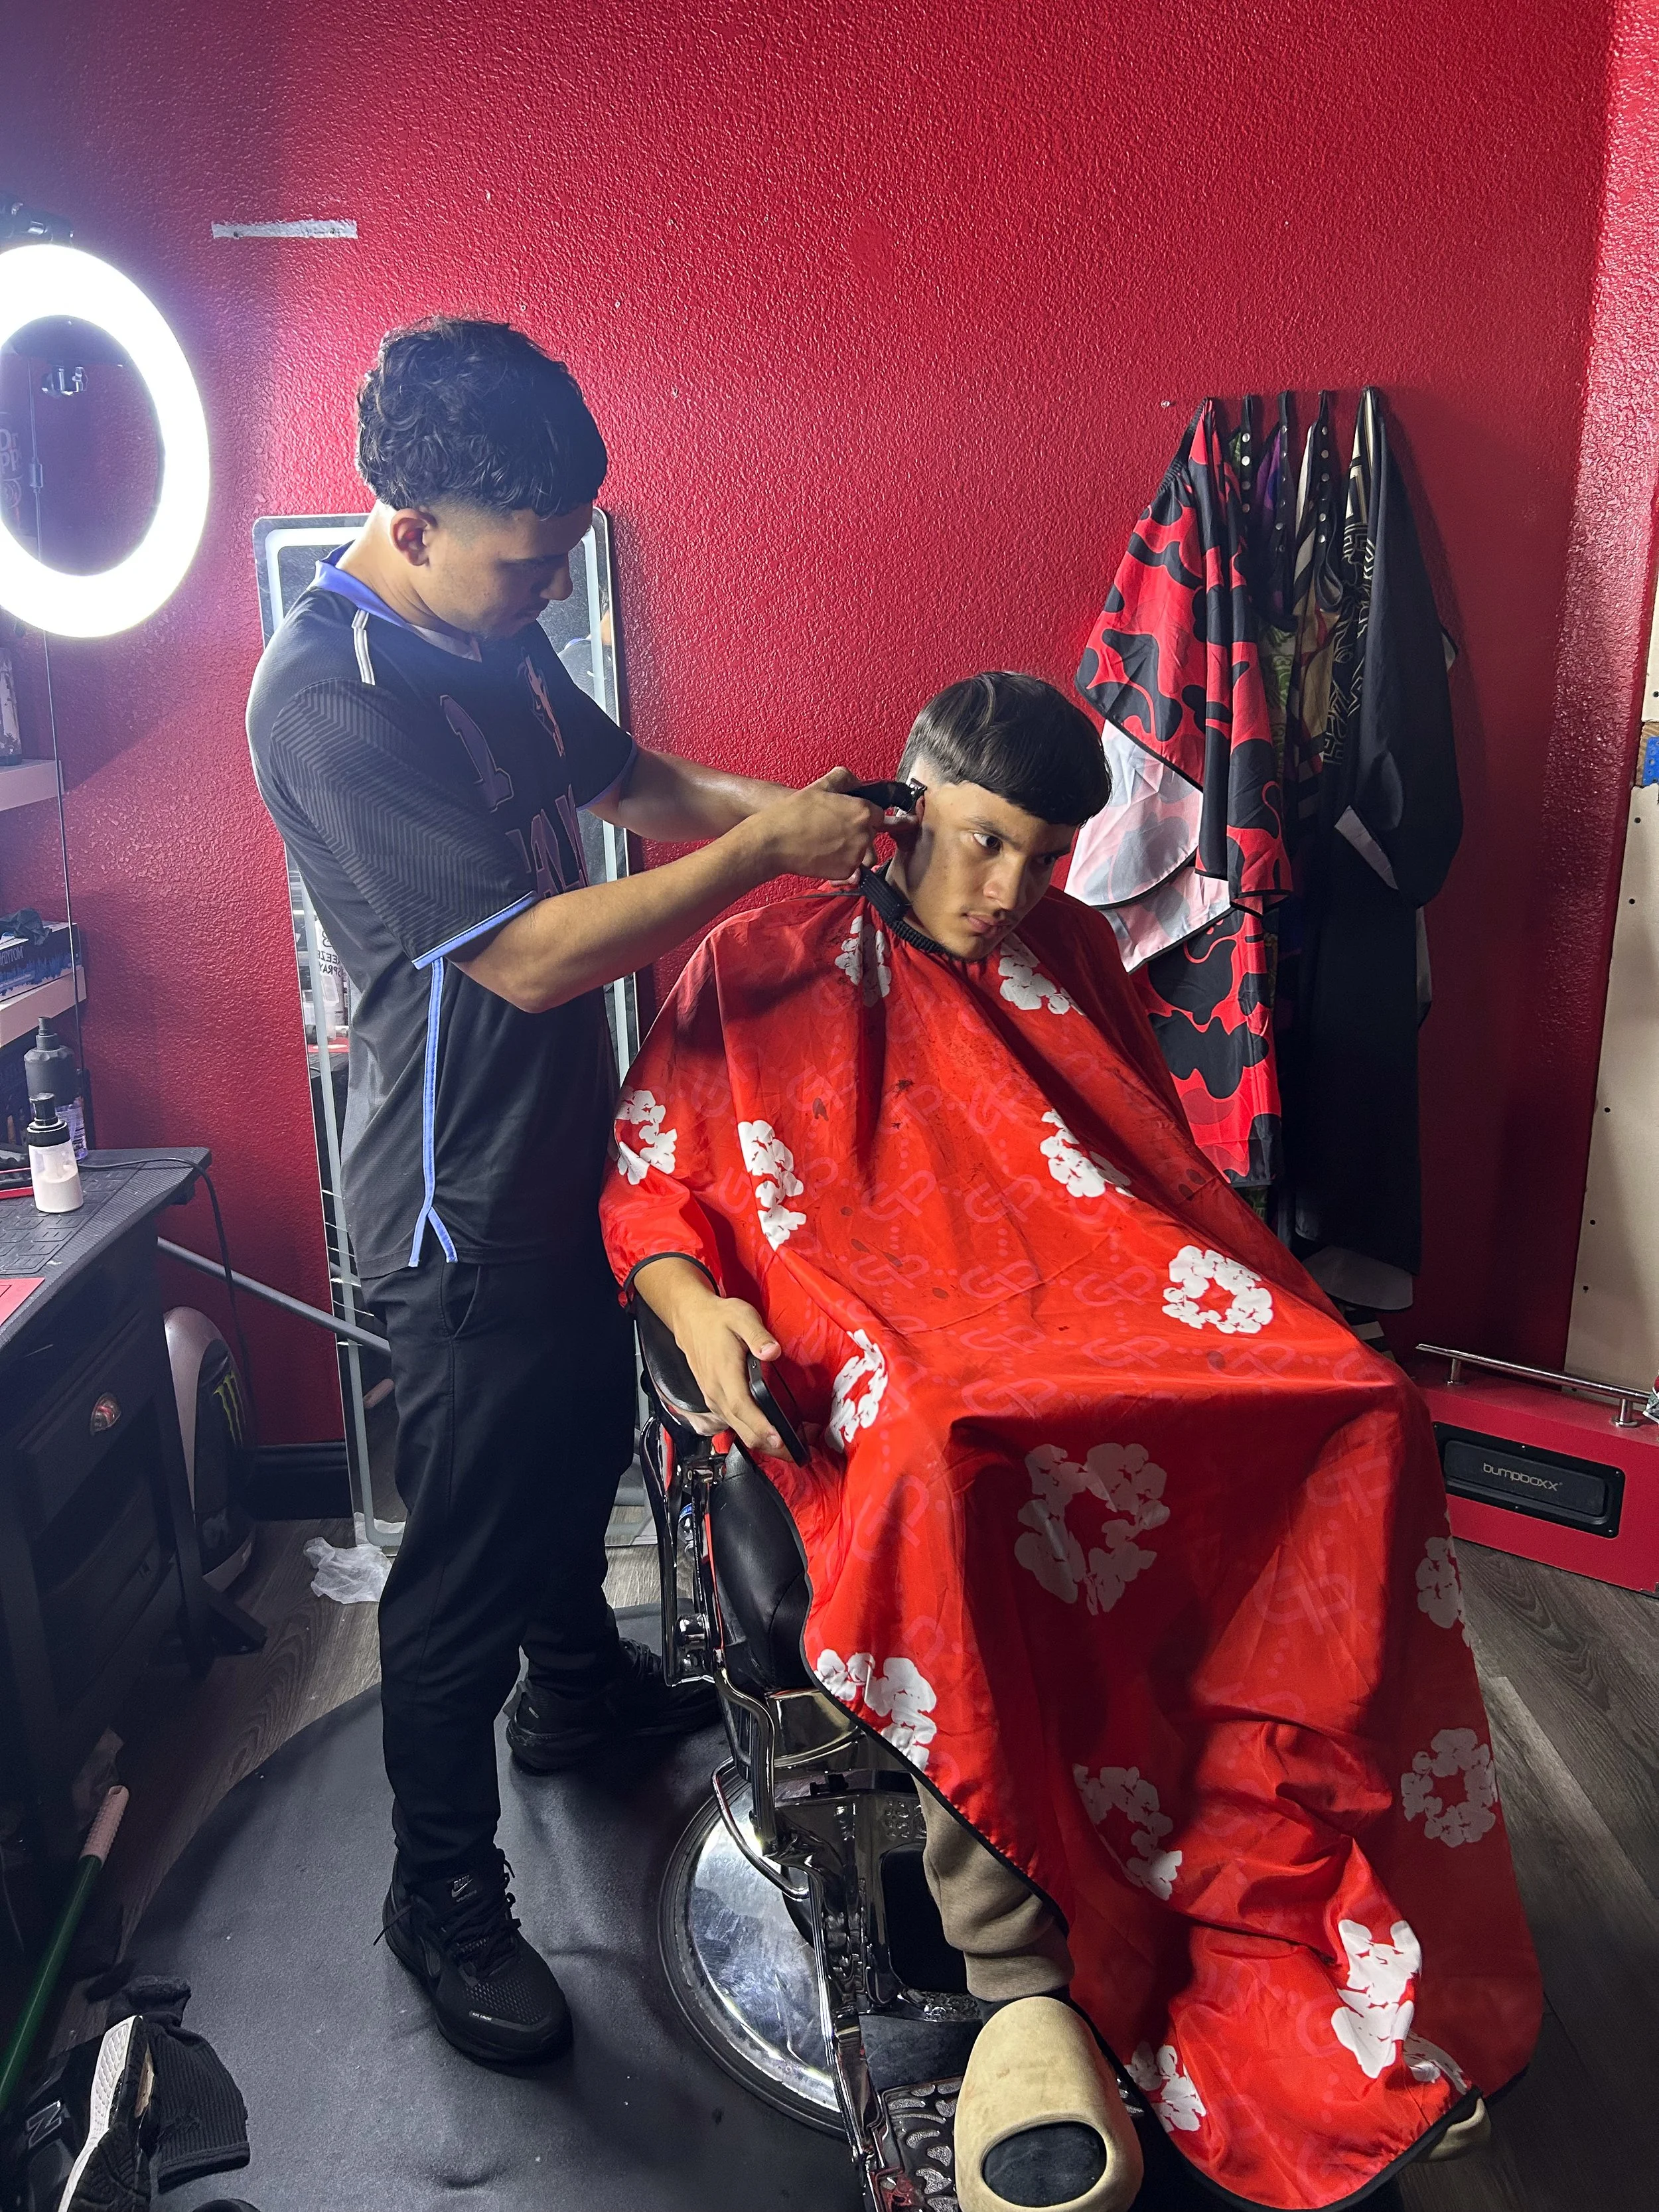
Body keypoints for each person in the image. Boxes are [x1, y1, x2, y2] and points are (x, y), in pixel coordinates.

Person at [600, 672, 1542, 2212]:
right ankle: (1012, 1969)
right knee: (945, 1449)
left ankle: (1280, 1878)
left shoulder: (1074, 949)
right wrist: (692, 1305)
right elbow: (652, 1179)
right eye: (981, 842)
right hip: (871, 1330)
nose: (1008, 890)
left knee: (1354, 1408)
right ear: (904, 803)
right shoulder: (759, 956)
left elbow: (1138, 1166)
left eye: (1043, 858)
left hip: (1075, 1299)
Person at [245, 317, 884, 2067]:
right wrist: (758, 857)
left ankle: (576, 1695)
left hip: (562, 1152)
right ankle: (440, 1890)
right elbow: (528, 955)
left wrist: (807, 829)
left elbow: (632, 785)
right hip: (451, 1202)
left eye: (555, 563)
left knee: (579, 1441)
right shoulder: (329, 694)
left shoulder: (489, 631)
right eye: (520, 565)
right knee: (465, 1564)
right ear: (409, 520)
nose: (542, 592)